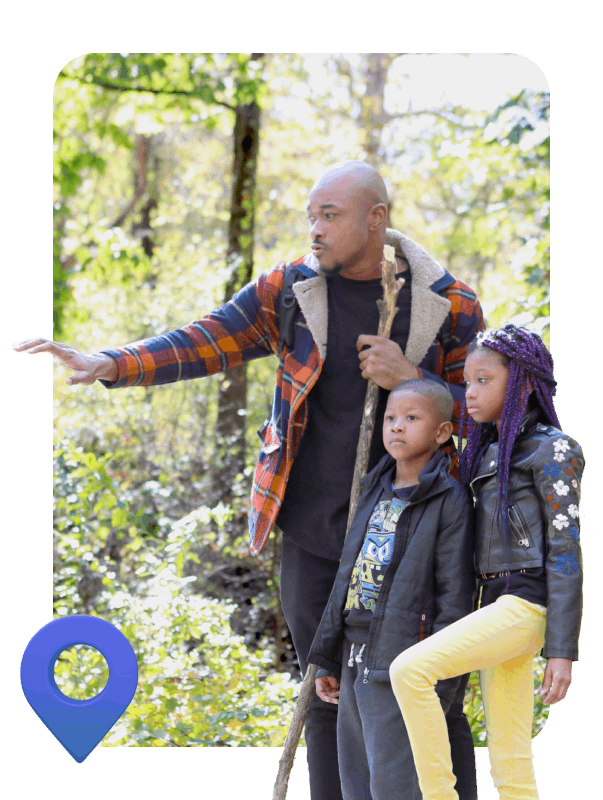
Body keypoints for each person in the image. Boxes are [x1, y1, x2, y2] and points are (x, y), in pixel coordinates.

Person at [15, 161, 483, 799]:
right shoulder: (291, 291)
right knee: (323, 689)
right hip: (315, 536)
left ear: (377, 219)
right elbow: (207, 340)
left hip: (414, 538)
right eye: (311, 215)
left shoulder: (447, 305)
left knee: (422, 685)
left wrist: (410, 380)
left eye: (330, 216)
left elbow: (484, 412)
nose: (314, 229)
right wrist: (108, 364)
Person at [388, 324, 585, 800]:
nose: (469, 394)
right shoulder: (487, 452)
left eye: (483, 381)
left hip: (526, 605)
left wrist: (562, 649)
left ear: (519, 381)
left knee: (410, 671)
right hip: (496, 605)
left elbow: (565, 550)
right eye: (467, 380)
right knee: (510, 758)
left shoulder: (553, 448)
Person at [308, 378, 477, 800]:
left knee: (395, 780)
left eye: (411, 418)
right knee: (356, 776)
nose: (397, 427)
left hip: (403, 657)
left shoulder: (449, 499)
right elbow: (347, 576)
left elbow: (454, 598)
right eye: (390, 418)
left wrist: (443, 684)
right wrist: (327, 657)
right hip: (353, 651)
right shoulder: (372, 489)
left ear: (442, 433)